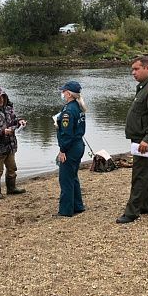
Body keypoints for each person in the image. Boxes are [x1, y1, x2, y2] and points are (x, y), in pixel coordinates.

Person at [116, 56, 148, 224]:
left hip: (146, 140)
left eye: (136, 69)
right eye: (132, 69)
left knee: (140, 174)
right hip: (142, 138)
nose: (133, 73)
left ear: (147, 68)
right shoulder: (145, 87)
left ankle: (131, 212)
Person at [0, 87, 27, 200]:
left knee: (12, 167)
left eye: (3, 97)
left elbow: (14, 121)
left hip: (11, 145)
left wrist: (20, 121)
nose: (1, 99)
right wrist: (2, 131)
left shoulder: (9, 109)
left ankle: (11, 189)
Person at [55, 80, 87, 217]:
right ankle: (78, 206)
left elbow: (67, 134)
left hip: (71, 147)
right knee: (73, 176)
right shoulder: (78, 107)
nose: (62, 93)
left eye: (63, 91)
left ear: (68, 93)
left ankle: (66, 211)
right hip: (78, 145)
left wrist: (62, 150)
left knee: (66, 179)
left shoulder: (69, 110)